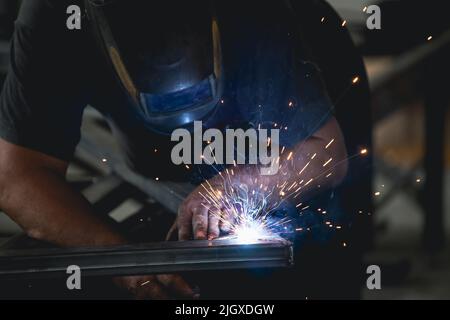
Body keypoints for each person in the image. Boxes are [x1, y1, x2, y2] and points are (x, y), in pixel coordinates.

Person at [0, 0, 355, 299]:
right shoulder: (55, 15)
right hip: (151, 148)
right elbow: (17, 175)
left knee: (317, 260)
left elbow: (327, 153)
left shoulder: (256, 11)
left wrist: (234, 185)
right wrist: (124, 261)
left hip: (310, 58)